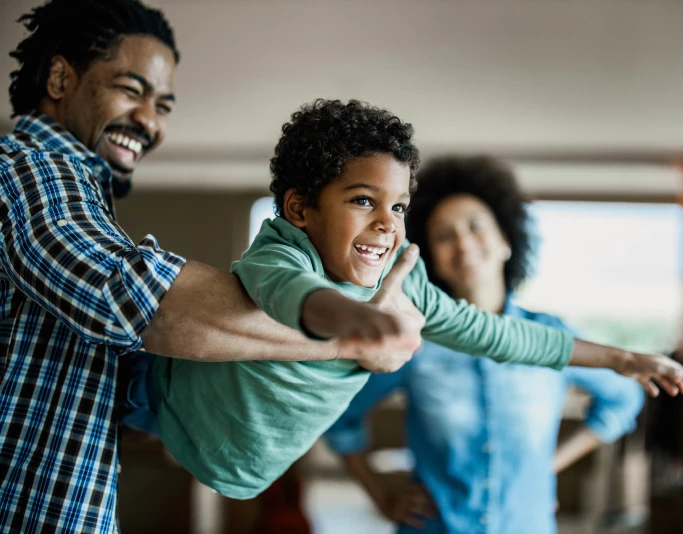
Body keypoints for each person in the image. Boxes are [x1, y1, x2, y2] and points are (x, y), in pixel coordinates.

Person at [0, 2, 422, 532]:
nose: (150, 121)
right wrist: (355, 336)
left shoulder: (77, 193)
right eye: (131, 91)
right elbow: (133, 300)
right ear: (61, 78)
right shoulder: (31, 169)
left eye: (163, 105)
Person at [139, 99, 683, 502]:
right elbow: (293, 297)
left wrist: (620, 359)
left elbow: (503, 336)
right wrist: (356, 322)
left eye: (400, 207)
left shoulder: (409, 286)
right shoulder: (283, 253)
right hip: (165, 403)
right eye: (363, 200)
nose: (386, 222)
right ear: (301, 209)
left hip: (242, 466)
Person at [324, 156, 648, 534]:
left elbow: (624, 398)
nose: (462, 243)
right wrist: (382, 497)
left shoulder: (551, 336)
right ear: (431, 258)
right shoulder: (413, 339)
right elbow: (340, 415)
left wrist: (545, 467)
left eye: (476, 227)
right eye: (444, 235)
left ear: (506, 240)